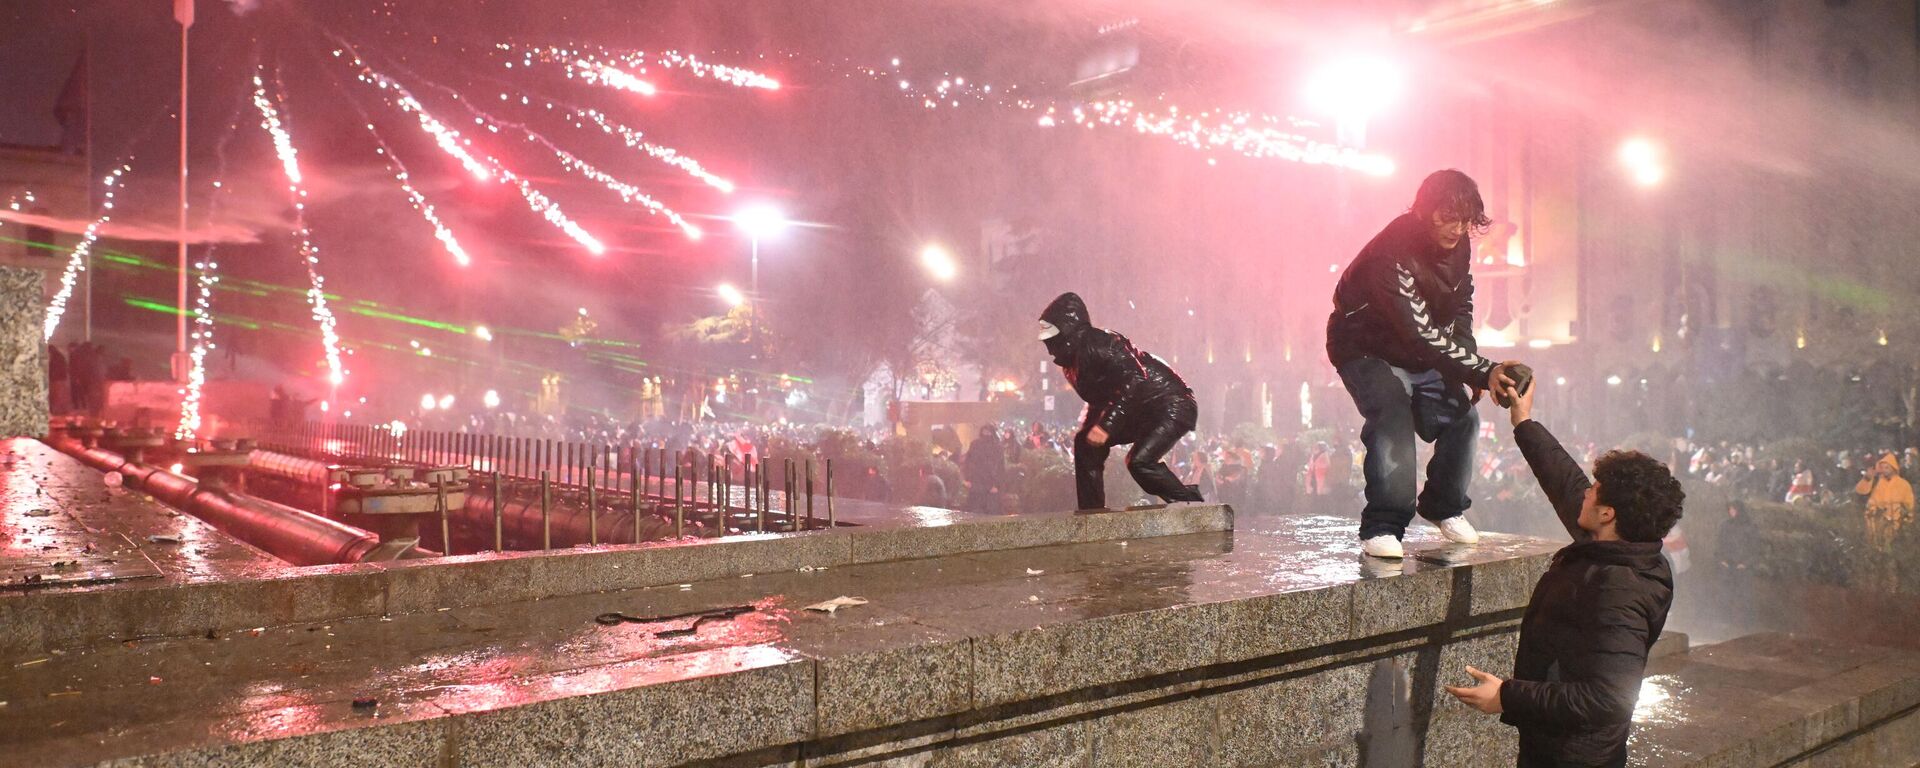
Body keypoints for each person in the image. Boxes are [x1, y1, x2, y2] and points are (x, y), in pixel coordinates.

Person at [1444, 376, 1684, 768]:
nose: (1586, 491)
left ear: (1608, 514)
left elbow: (1607, 698)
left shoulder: (1619, 587)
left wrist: (1507, 695)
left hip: (1573, 757)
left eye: (1595, 488)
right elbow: (1564, 481)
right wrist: (1524, 422)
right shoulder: (1617, 546)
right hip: (1558, 744)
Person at [1328, 169, 1523, 558]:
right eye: (1447, 217)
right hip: (1365, 348)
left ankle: (1443, 506)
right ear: (1423, 210)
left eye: (1466, 220)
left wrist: (1467, 360)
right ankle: (1383, 525)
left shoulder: (1459, 244)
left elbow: (1459, 305)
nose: (1456, 229)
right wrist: (1481, 369)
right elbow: (1418, 330)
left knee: (1462, 418)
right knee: (1391, 414)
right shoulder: (1391, 253)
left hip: (1417, 348)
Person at [1038, 292, 1203, 510]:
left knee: (1140, 462)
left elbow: (1135, 377)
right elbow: (1099, 398)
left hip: (1171, 404)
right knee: (1085, 445)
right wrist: (1091, 428)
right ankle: (1092, 513)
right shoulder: (1072, 364)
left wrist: (1106, 425)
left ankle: (1190, 505)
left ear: (1067, 328)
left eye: (1052, 335)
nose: (1049, 344)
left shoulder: (1101, 343)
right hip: (1141, 408)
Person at [1855, 452, 1914, 554]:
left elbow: (1909, 505)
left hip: (1896, 523)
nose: (1884, 470)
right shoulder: (1876, 481)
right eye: (1882, 467)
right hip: (1876, 522)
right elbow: (1861, 491)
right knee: (1876, 551)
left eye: (1887, 467)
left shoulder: (1903, 484)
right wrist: (1867, 478)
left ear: (1893, 468)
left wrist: (1908, 523)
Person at [963, 425, 1007, 514]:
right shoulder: (975, 444)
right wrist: (967, 479)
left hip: (991, 483)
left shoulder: (997, 447)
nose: (986, 434)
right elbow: (968, 462)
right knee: (975, 510)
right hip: (976, 482)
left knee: (990, 511)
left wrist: (997, 485)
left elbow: (1000, 467)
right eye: (984, 431)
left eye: (988, 432)